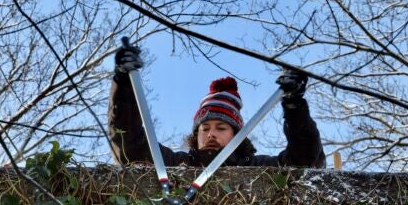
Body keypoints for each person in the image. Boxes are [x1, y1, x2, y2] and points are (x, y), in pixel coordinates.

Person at [109, 42, 325, 168]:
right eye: (204, 128)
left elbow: (305, 160)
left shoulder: (257, 167)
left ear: (236, 134)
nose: (211, 134)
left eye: (221, 128)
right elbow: (129, 146)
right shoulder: (176, 163)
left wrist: (294, 107)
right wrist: (124, 84)